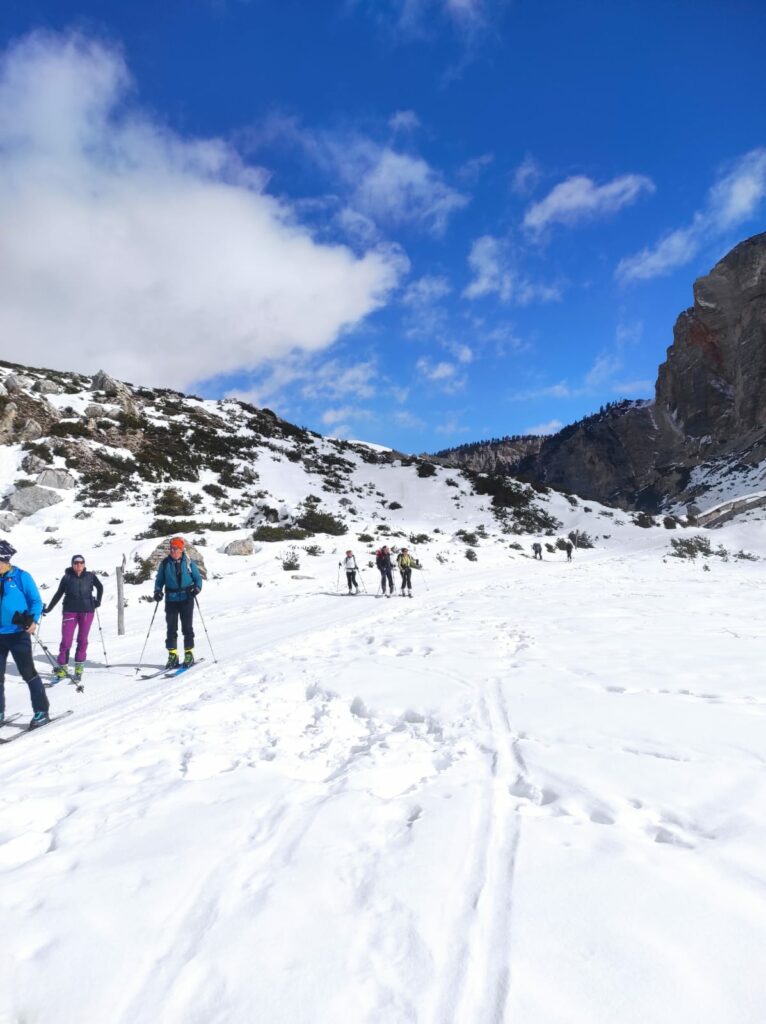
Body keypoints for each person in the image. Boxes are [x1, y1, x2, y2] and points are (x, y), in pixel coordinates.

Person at [0, 539, 50, 730]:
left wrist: (32, 620)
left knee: (27, 672)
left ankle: (41, 710)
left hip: (18, 633)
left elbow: (36, 601)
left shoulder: (21, 576)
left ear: (4, 559)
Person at [45, 554, 104, 681]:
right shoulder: (67, 577)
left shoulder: (90, 576)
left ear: (84, 564)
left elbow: (100, 587)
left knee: (82, 639)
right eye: (76, 563)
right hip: (69, 611)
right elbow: (58, 594)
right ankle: (62, 669)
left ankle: (79, 667)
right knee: (66, 640)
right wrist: (49, 609)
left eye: (81, 562)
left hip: (87, 611)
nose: (79, 565)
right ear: (72, 564)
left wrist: (98, 601)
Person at [153, 537, 203, 669]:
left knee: (187, 627)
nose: (173, 551)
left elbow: (197, 578)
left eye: (176, 548)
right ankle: (173, 655)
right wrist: (157, 591)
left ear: (181, 550)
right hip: (171, 599)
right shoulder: (165, 563)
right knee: (171, 628)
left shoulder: (188, 562)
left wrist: (197, 588)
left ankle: (188, 653)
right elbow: (159, 581)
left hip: (187, 597)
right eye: (172, 548)